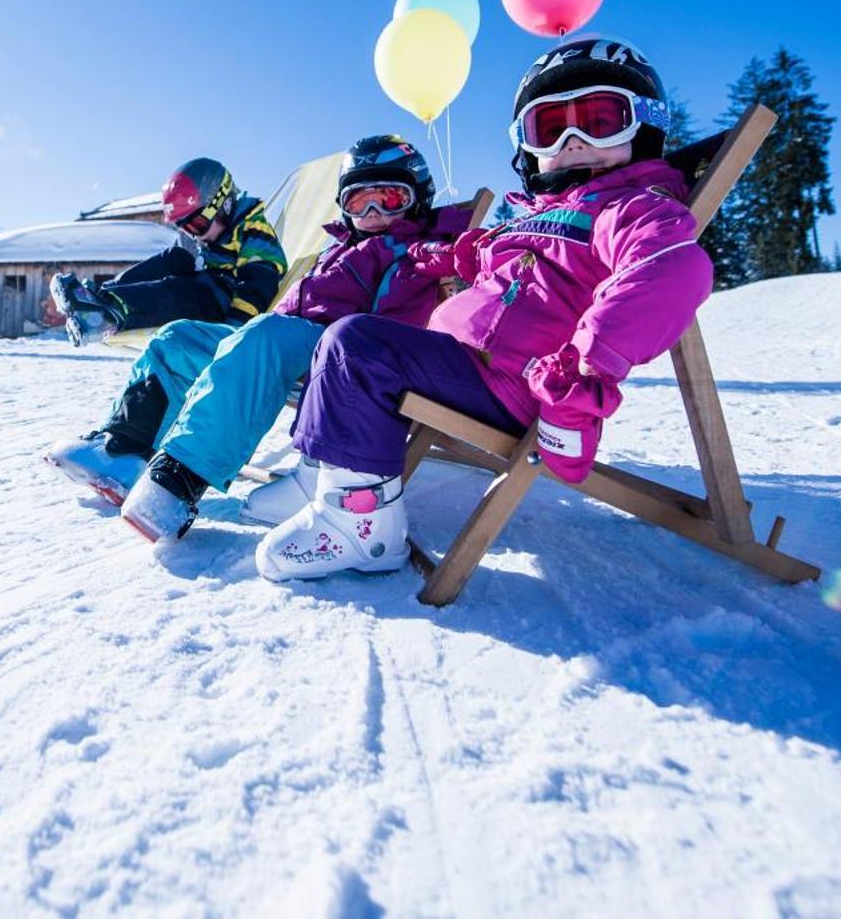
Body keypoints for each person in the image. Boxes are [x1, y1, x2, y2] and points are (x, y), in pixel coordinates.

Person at [255, 36, 715, 582]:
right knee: (354, 344)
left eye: (598, 119)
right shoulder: (535, 215)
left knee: (354, 344)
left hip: (517, 382)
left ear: (645, 127)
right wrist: (437, 255)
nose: (573, 142)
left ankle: (363, 529)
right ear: (527, 148)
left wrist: (582, 375)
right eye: (550, 128)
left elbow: (669, 270)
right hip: (465, 362)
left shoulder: (633, 208)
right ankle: (327, 481)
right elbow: (475, 255)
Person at [46, 137, 476, 539]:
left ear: (420, 196)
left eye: (391, 199)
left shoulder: (421, 248)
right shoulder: (343, 248)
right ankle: (125, 450)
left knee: (265, 336)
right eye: (359, 203)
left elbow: (445, 282)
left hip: (346, 355)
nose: (373, 214)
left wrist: (456, 254)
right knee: (178, 338)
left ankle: (179, 482)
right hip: (289, 340)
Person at [49, 157, 286, 346]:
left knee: (177, 289)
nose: (195, 234)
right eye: (185, 227)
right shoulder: (209, 237)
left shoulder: (252, 228)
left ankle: (111, 311)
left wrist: (232, 329)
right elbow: (179, 258)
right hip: (207, 289)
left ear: (223, 204)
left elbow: (259, 282)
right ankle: (100, 298)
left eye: (197, 225)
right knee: (175, 258)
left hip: (226, 307)